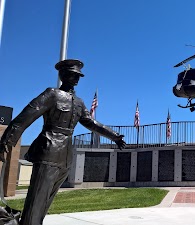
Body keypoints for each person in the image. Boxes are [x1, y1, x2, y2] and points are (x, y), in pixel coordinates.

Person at [0, 59, 126, 225]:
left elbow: (91, 123)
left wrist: (114, 136)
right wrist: (6, 143)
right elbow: (24, 118)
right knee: (37, 200)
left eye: (78, 76)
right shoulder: (52, 94)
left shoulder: (79, 102)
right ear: (63, 75)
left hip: (65, 156)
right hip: (48, 150)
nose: (77, 79)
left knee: (45, 201)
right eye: (73, 75)